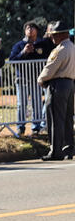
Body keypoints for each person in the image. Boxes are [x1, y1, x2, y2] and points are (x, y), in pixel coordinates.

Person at [38, 20, 75, 160]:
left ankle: (56, 152)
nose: (52, 37)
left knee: (55, 119)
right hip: (70, 84)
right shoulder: (72, 47)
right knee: (67, 118)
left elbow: (51, 68)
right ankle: (68, 149)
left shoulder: (60, 49)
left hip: (58, 85)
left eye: (55, 34)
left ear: (63, 34)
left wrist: (41, 79)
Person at [9, 21, 54, 135]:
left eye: (33, 28)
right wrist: (23, 52)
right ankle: (20, 127)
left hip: (37, 80)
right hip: (23, 80)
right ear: (25, 31)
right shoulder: (18, 45)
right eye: (28, 28)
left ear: (37, 31)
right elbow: (12, 60)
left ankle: (36, 127)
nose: (30, 29)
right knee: (21, 104)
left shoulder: (42, 44)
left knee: (37, 103)